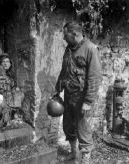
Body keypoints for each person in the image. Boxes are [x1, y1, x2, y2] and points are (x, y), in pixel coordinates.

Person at [55, 22, 102, 164]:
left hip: (82, 98)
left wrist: (88, 102)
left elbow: (95, 77)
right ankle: (74, 154)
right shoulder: (68, 49)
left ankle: (86, 159)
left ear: (74, 34)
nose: (64, 38)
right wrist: (58, 88)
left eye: (65, 35)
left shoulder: (90, 49)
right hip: (69, 96)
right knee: (69, 126)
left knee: (83, 128)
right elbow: (64, 70)